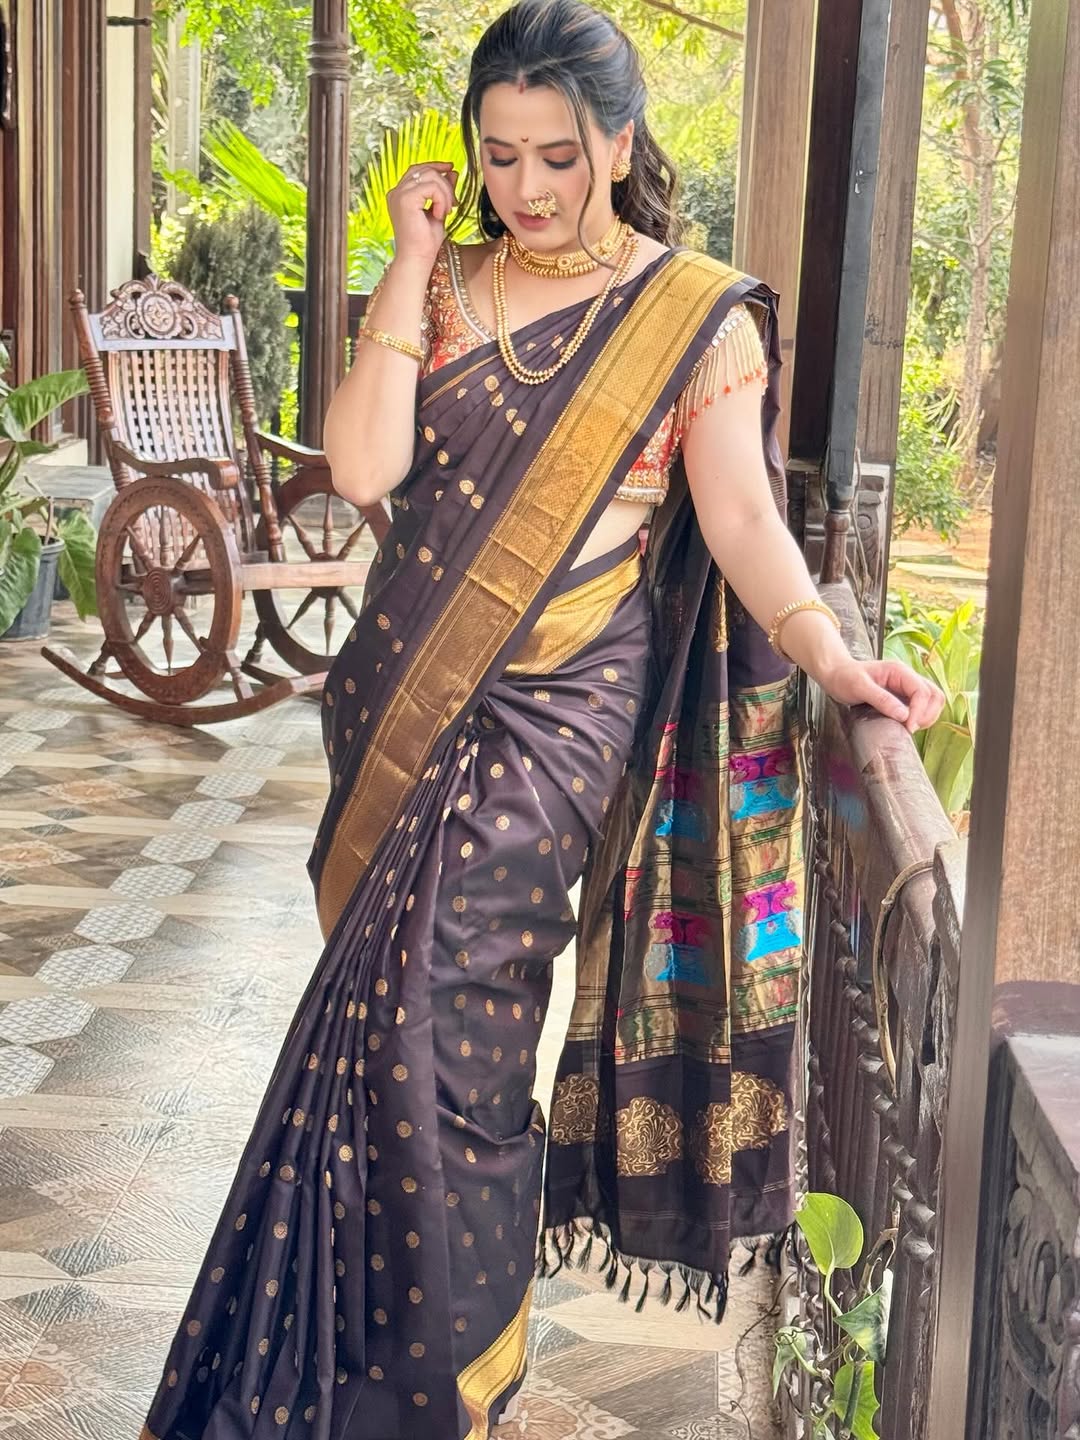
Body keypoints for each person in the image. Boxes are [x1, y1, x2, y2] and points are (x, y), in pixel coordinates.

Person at [140, 2, 944, 1437]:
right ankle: (374, 1371)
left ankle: (442, 1381)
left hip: (562, 716)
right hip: (406, 699)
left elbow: (745, 520)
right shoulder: (442, 288)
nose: (526, 188)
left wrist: (832, 658)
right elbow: (368, 464)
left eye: (557, 156)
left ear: (620, 144)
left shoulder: (690, 317)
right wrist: (401, 256)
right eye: (500, 156)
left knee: (435, 1026)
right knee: (402, 1032)